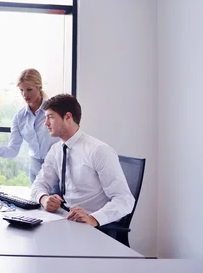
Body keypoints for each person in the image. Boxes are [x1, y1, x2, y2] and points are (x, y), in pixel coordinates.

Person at [30, 94, 134, 227]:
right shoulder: (56, 149)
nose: (46, 123)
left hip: (92, 225)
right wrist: (44, 199)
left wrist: (92, 219)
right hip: (66, 219)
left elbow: (124, 200)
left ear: (68, 117)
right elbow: (38, 185)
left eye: (50, 117)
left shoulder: (98, 150)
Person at [0, 68, 60, 185]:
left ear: (39, 87)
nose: (25, 94)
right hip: (35, 170)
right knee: (36, 202)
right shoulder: (19, 117)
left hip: (56, 168)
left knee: (56, 202)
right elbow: (13, 150)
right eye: (21, 90)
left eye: (29, 89)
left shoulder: (54, 111)